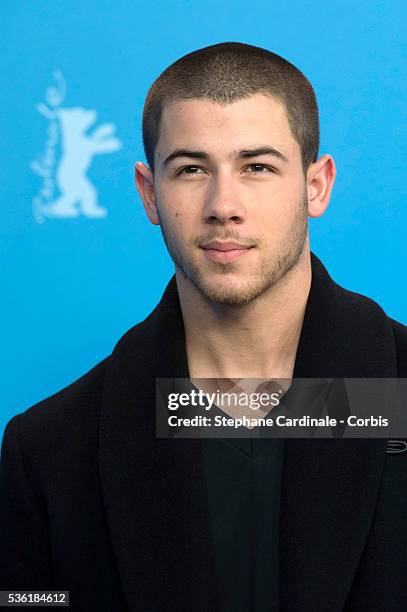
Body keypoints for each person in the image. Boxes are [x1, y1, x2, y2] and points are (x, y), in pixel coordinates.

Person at [1, 42, 406, 612]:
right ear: (149, 193)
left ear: (316, 186)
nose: (223, 204)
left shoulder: (396, 394)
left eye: (257, 167)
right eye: (191, 169)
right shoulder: (48, 449)